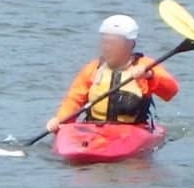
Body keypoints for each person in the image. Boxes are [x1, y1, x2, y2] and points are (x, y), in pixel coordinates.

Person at [44, 14, 179, 133]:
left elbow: (171, 91)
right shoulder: (93, 68)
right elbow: (74, 100)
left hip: (134, 130)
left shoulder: (146, 66)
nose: (107, 47)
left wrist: (150, 76)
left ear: (130, 44)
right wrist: (60, 119)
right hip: (94, 130)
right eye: (105, 42)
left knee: (135, 163)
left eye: (114, 43)